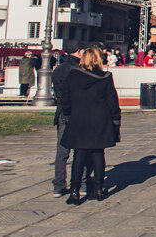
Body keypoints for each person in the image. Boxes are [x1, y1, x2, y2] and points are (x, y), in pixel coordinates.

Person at [58, 48, 121, 205]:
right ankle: (99, 190)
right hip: (100, 120)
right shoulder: (106, 77)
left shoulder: (73, 75)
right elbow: (112, 101)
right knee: (98, 154)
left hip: (79, 119)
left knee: (79, 155)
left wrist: (68, 114)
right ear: (98, 60)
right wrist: (115, 118)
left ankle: (74, 192)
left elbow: (65, 98)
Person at [50, 49, 81, 197]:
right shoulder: (78, 70)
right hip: (77, 111)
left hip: (62, 111)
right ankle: (81, 183)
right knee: (80, 150)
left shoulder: (59, 69)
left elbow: (57, 91)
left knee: (62, 151)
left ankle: (59, 185)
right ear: (79, 52)